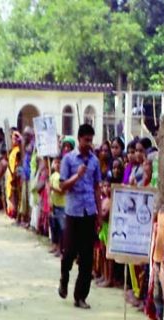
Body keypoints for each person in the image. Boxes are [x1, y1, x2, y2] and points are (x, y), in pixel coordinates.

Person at [58, 124, 102, 309]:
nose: (89, 144)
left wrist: (98, 214)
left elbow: (97, 187)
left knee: (87, 258)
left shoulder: (95, 161)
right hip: (73, 212)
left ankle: (80, 296)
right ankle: (64, 277)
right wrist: (77, 176)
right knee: (69, 252)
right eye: (86, 140)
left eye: (91, 140)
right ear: (79, 139)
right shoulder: (68, 160)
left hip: (89, 212)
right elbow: (62, 186)